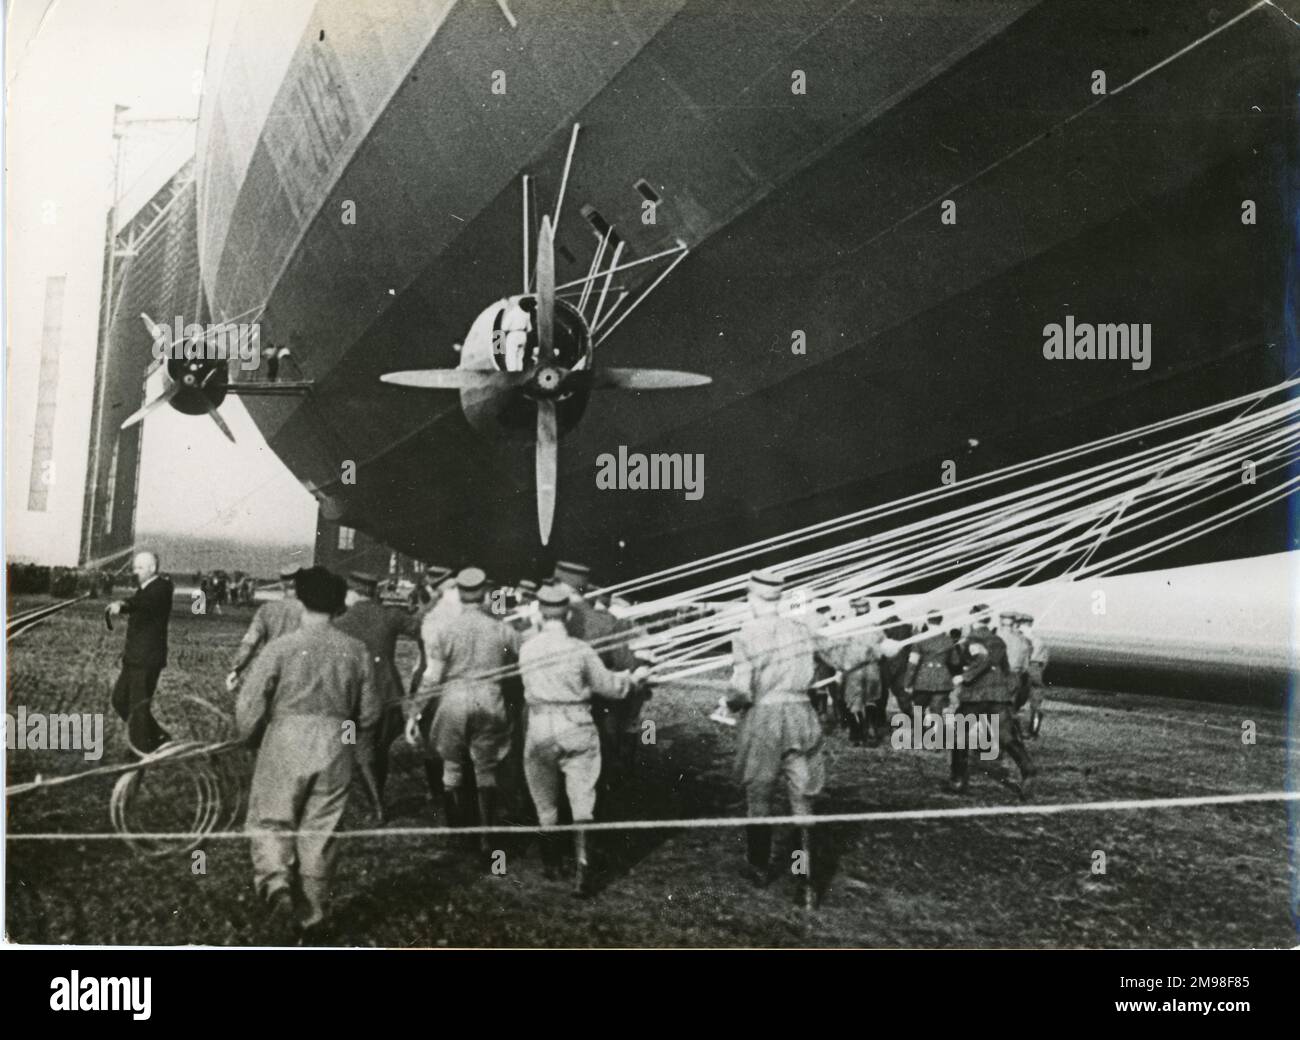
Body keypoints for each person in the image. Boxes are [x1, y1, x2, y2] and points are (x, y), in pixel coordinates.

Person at [236, 566, 380, 943]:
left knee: (272, 819)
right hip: (334, 745)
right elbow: (369, 714)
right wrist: (347, 737)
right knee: (322, 829)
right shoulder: (357, 650)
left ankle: (277, 888)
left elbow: (250, 702)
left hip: (285, 739)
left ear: (301, 601)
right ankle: (312, 915)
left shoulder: (281, 647)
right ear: (338, 607)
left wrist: (249, 736)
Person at [518, 583, 646, 895]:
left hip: (539, 726)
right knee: (582, 799)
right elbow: (610, 687)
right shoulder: (581, 650)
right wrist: (633, 680)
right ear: (569, 613)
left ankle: (551, 863)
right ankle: (583, 868)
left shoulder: (526, 649)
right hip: (576, 724)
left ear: (539, 612)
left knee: (545, 801)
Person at [407, 567, 520, 859]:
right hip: (489, 700)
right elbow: (522, 657)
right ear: (483, 594)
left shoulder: (445, 629)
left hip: (453, 700)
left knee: (452, 768)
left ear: (460, 592)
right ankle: (485, 838)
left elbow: (432, 676)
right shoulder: (502, 628)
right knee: (486, 770)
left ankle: (457, 836)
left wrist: (415, 712)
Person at [726, 569, 825, 906]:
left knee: (759, 793)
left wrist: (730, 703)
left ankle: (758, 867)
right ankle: (805, 878)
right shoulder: (801, 629)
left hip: (765, 720)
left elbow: (741, 688)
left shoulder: (746, 634)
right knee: (803, 798)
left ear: (753, 600)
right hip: (802, 716)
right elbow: (844, 652)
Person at [333, 570, 426, 822]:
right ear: (375, 591)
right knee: (381, 748)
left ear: (350, 593)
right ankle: (378, 798)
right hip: (388, 696)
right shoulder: (390, 615)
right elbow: (423, 629)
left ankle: (376, 805)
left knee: (357, 748)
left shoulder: (339, 623)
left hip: (354, 700)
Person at [949, 611, 1035, 796]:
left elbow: (982, 659)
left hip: (976, 695)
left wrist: (963, 676)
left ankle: (958, 779)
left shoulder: (972, 640)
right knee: (1005, 736)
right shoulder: (998, 641)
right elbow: (1005, 669)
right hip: (998, 696)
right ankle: (1028, 769)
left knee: (959, 735)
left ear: (973, 619)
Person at [107, 551, 174, 754]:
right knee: (120, 700)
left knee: (138, 706)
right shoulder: (146, 589)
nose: (135, 572)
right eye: (135, 567)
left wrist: (124, 605)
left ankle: (140, 750)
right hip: (135, 658)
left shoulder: (161, 587)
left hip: (146, 659)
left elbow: (143, 603)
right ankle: (158, 737)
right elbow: (138, 600)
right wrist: (123, 603)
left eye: (140, 568)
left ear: (152, 569)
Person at [816, 595, 884, 746]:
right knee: (871, 700)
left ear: (855, 609)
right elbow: (882, 647)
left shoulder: (848, 626)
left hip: (854, 670)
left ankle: (857, 735)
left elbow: (839, 645)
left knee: (853, 702)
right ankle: (872, 731)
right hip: (872, 669)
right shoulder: (876, 626)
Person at [226, 565, 304, 692]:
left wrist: (236, 669)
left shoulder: (266, 610)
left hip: (272, 673)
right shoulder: (314, 612)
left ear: (282, 584)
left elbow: (250, 643)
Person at [903, 610, 962, 721]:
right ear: (941, 621)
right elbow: (955, 662)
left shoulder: (919, 640)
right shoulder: (948, 640)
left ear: (927, 620)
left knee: (918, 709)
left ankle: (919, 734)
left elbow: (912, 663)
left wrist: (907, 682)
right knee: (937, 710)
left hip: (923, 679)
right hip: (942, 680)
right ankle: (937, 734)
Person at [1018, 612, 1049, 738]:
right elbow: (1045, 660)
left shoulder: (1020, 639)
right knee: (1035, 701)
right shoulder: (1039, 640)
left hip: (1024, 669)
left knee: (1017, 699)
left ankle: (1021, 730)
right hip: (1037, 669)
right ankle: (1033, 729)